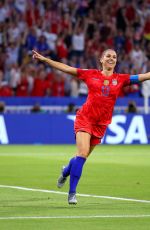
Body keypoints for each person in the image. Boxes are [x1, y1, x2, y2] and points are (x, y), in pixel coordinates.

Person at [32, 49, 150, 205]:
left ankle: (66, 171)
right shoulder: (90, 74)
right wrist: (46, 60)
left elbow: (143, 76)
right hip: (85, 119)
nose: (111, 58)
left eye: (114, 57)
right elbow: (67, 68)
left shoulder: (121, 79)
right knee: (81, 153)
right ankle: (72, 193)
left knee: (82, 157)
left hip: (101, 124)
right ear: (101, 59)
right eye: (108, 56)